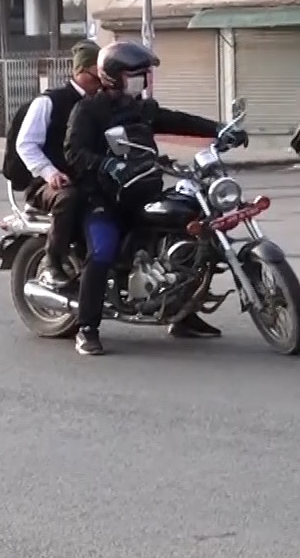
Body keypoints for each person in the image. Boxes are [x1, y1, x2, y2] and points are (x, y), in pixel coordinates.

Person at [62, 41, 244, 357]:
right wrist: (105, 163)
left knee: (194, 233)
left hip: (144, 191)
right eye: (136, 74)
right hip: (104, 199)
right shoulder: (89, 109)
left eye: (144, 74)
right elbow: (73, 152)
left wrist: (219, 130)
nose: (143, 80)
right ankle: (87, 328)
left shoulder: (141, 108)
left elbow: (177, 120)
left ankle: (183, 314)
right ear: (114, 76)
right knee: (103, 252)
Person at [5, 39, 103, 288]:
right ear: (82, 70)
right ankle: (53, 261)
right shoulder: (50, 102)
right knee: (67, 197)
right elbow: (26, 144)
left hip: (87, 178)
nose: (102, 79)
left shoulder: (99, 104)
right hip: (45, 184)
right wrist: (50, 173)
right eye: (97, 72)